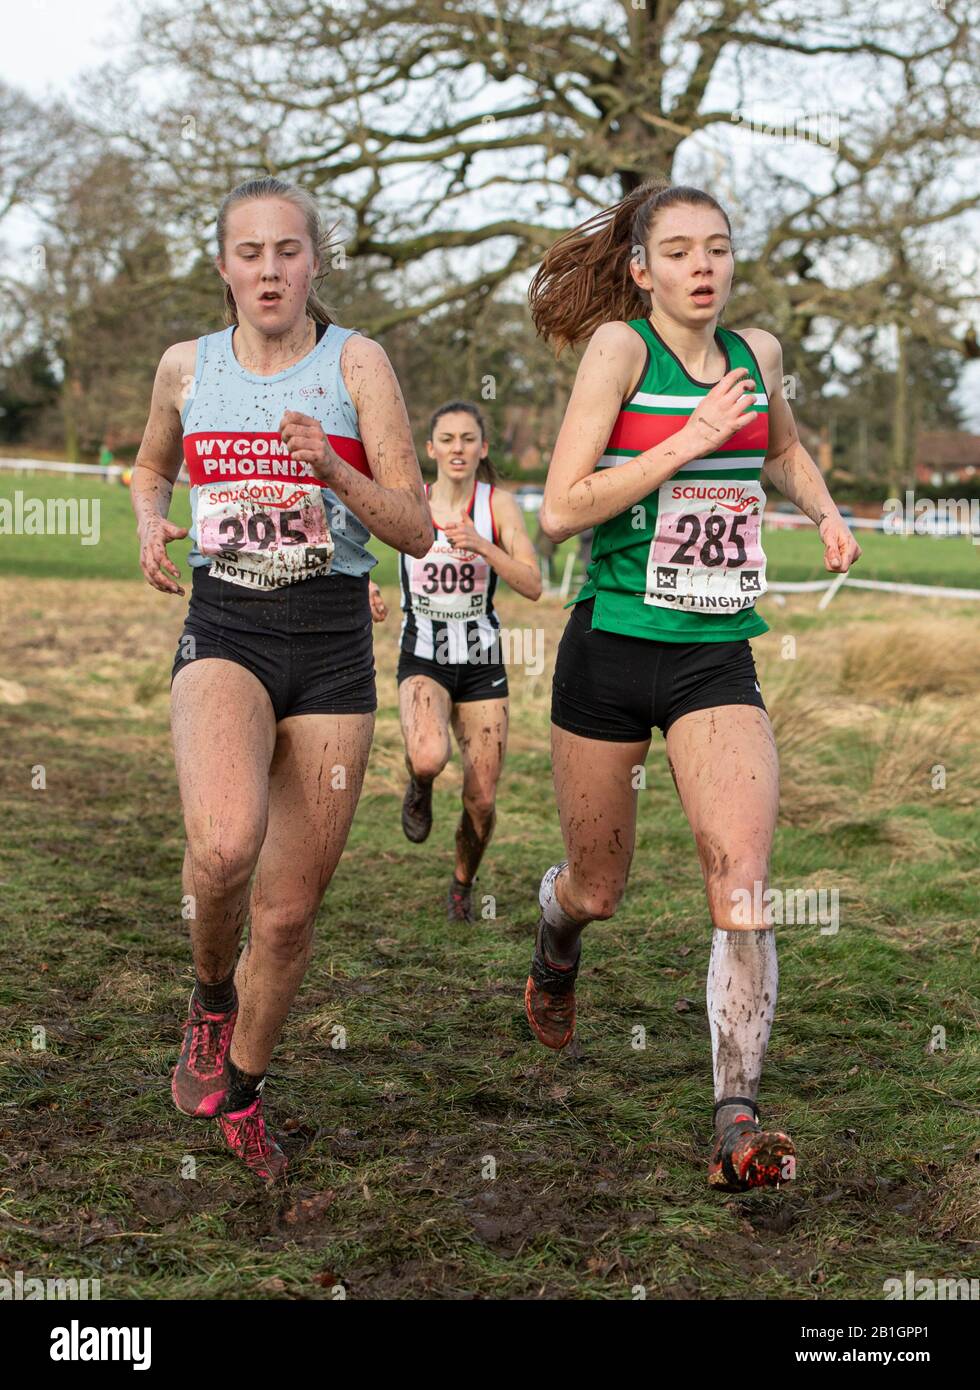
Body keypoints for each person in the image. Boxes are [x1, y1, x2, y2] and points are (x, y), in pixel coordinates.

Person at [524, 179, 861, 1191]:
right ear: (639, 269)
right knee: (598, 886)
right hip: (612, 647)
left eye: (714, 248)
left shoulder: (756, 356)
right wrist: (683, 440)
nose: (700, 267)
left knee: (744, 886)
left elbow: (784, 448)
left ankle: (735, 1120)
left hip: (715, 653)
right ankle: (554, 938)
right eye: (676, 251)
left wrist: (823, 510)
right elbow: (557, 510)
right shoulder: (620, 352)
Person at [130, 176, 432, 1181]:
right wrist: (146, 518)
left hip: (332, 641)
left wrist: (334, 475)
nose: (268, 269)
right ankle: (211, 998)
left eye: (287, 251)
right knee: (222, 848)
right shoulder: (186, 367)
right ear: (222, 264)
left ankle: (247, 1096)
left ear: (315, 262)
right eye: (249, 252)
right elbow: (150, 467)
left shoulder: (358, 363)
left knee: (290, 911)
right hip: (225, 626)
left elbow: (416, 526)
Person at [388, 400, 541, 921]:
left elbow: (533, 584)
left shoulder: (497, 505)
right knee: (430, 755)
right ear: (430, 449)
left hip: (480, 659)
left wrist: (483, 545)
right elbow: (353, 547)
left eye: (468, 439)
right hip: (423, 655)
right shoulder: (412, 501)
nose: (458, 448)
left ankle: (462, 884)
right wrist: (364, 588)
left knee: (481, 799)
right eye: (447, 439)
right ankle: (420, 783)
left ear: (483, 448)